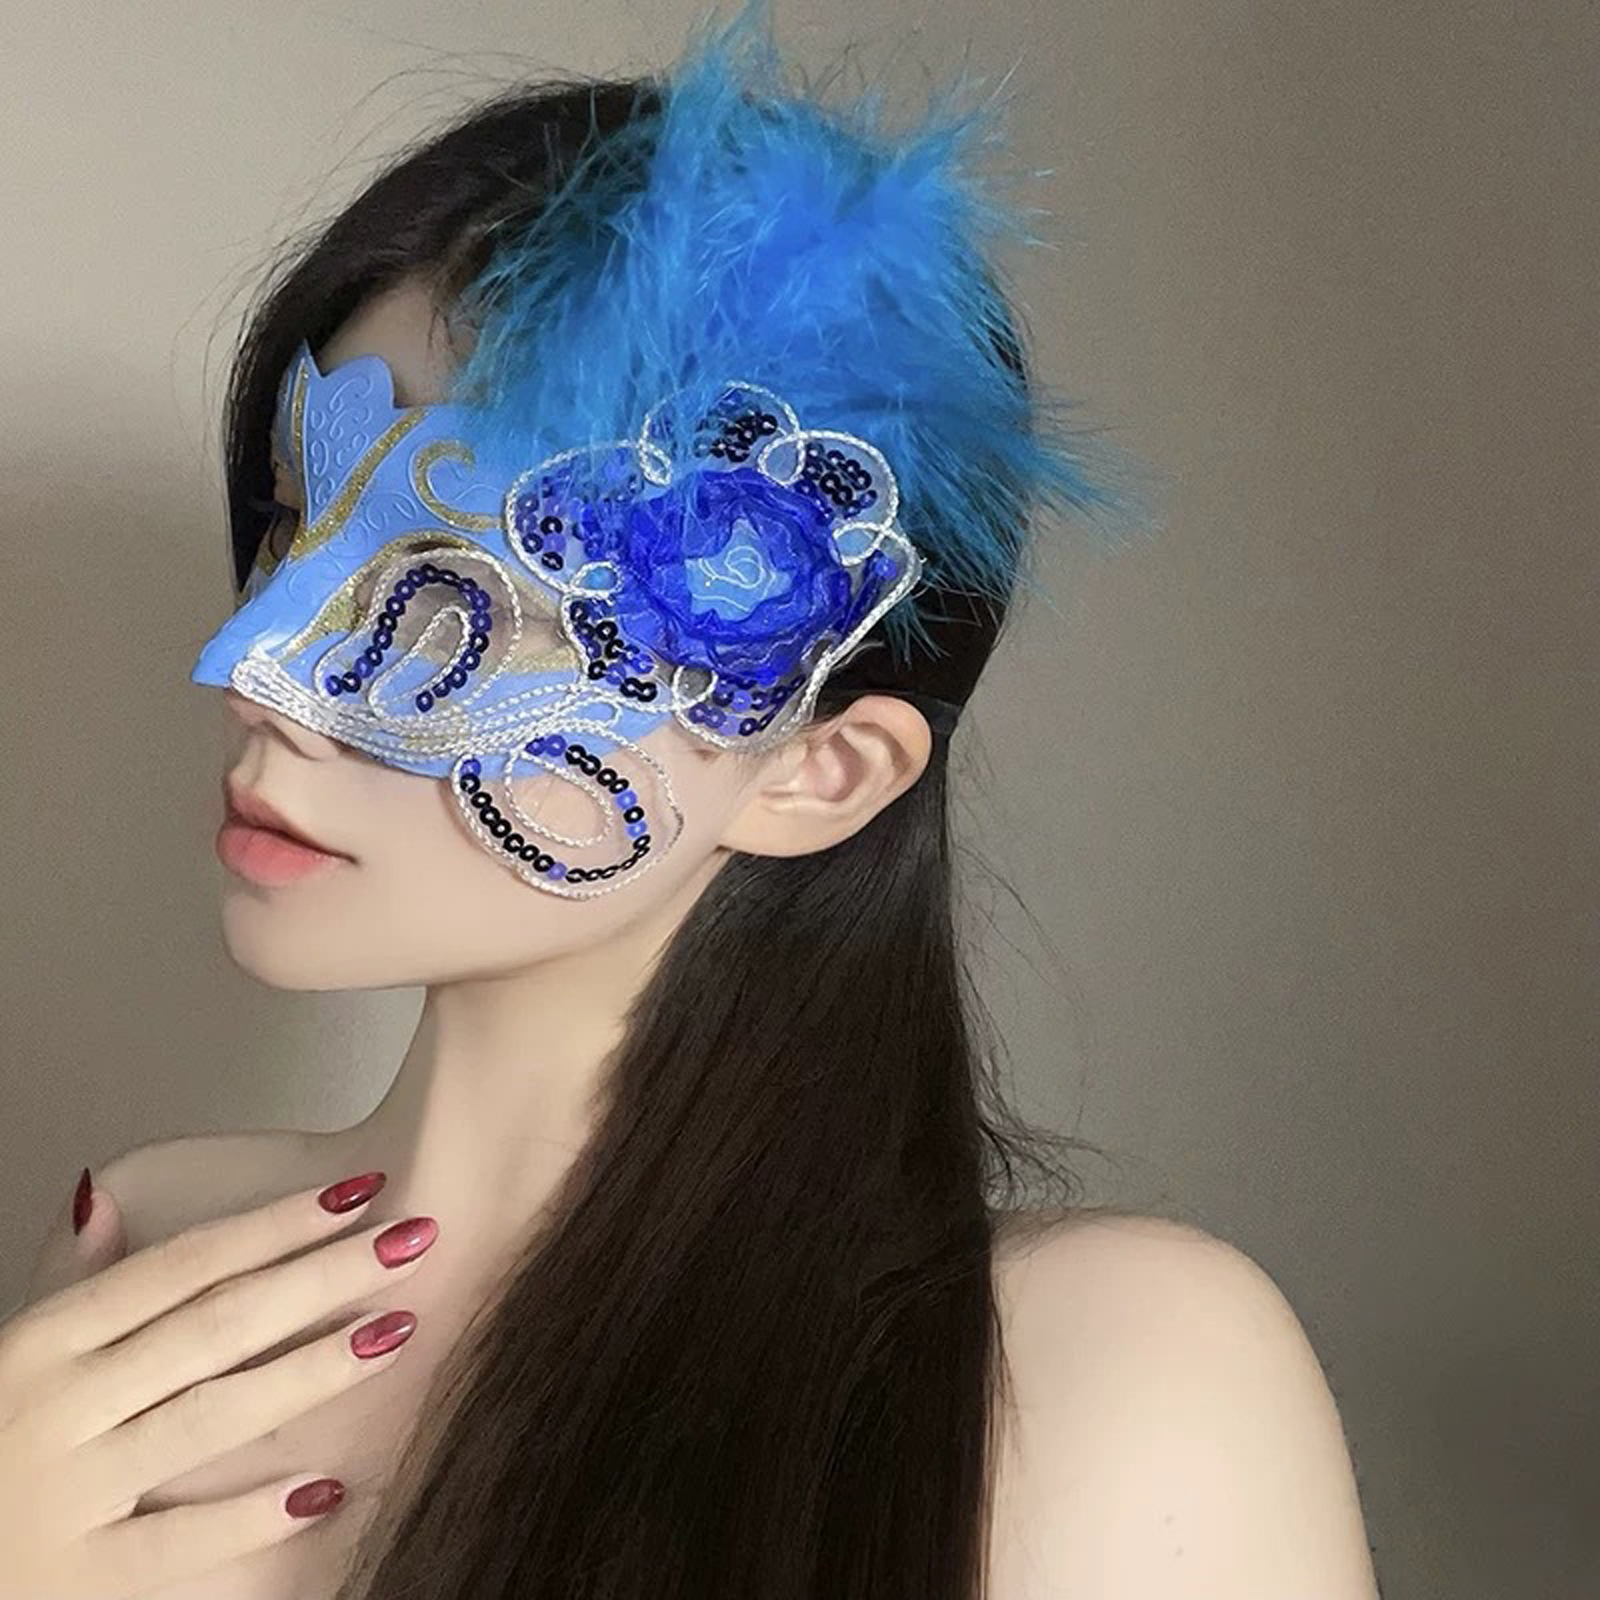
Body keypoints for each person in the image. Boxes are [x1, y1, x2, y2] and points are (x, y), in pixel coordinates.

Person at [2, 7, 1382, 1598]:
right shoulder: (148, 1268)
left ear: (814, 773)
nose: (255, 669)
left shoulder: (1103, 1375)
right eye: (290, 526)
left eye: (462, 592)